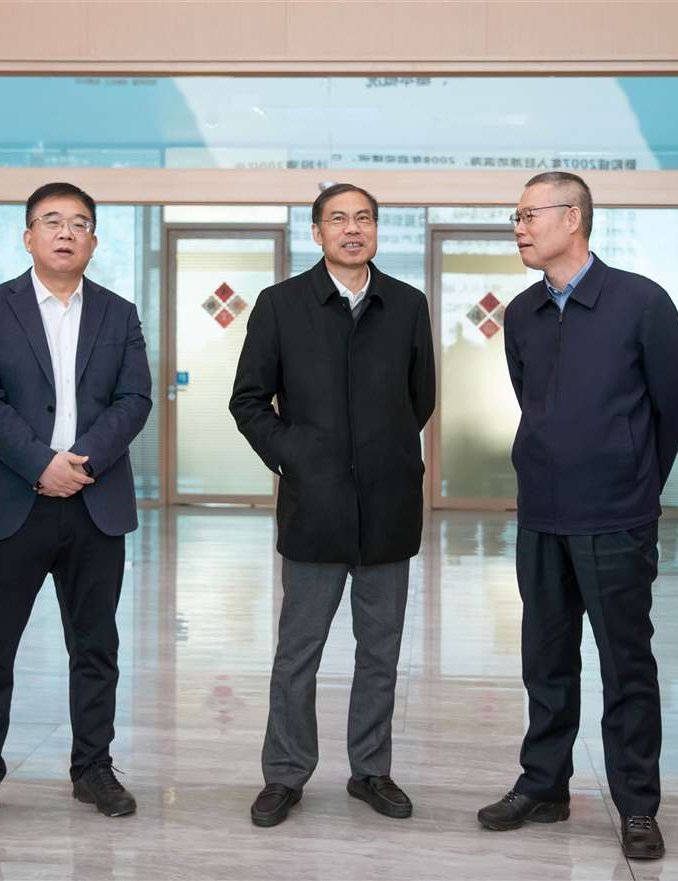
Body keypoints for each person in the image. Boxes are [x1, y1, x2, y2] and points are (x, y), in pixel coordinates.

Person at [477, 172, 678, 861]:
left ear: (572, 218)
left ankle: (637, 804)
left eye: (528, 215)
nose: (518, 228)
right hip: (541, 515)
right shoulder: (522, 313)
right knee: (544, 659)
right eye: (515, 217)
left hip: (616, 517)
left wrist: (634, 478)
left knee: (626, 664)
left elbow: (676, 407)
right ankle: (544, 784)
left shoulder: (640, 302)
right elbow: (530, 399)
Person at [229, 183, 435, 827]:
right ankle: (285, 774)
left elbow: (420, 398)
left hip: (388, 509)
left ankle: (371, 770)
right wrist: (298, 456)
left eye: (364, 218)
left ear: (376, 230)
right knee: (299, 651)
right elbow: (248, 400)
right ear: (316, 232)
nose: (353, 229)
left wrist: (382, 453)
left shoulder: (407, 304)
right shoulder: (281, 305)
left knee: (381, 651)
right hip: (313, 508)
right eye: (338, 219)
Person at [0, 182, 152, 833]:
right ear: (28, 236)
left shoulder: (119, 314)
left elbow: (135, 399)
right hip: (12, 500)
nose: (66, 232)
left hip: (95, 501)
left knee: (96, 645)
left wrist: (82, 462)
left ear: (94, 240)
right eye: (52, 221)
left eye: (79, 223)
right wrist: (40, 463)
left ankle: (93, 767)